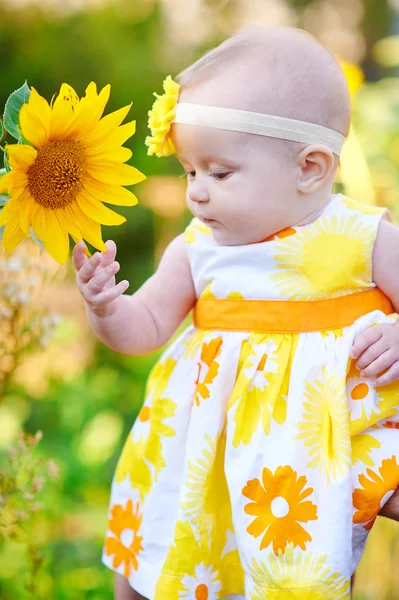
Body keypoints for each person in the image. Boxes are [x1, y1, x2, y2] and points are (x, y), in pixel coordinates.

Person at [73, 25, 399, 600]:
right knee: (162, 560)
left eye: (219, 173)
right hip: (199, 450)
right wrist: (106, 307)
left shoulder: (362, 237)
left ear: (310, 168)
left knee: (286, 576)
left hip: (309, 460)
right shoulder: (198, 248)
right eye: (190, 171)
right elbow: (141, 329)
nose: (196, 192)